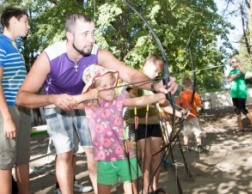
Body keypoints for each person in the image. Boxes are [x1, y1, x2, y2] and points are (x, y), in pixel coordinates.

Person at [15, 13, 178, 194]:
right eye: (85, 34)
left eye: (92, 33)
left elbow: (129, 74)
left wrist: (155, 85)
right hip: (55, 101)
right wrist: (52, 99)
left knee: (92, 151)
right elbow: (21, 97)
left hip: (89, 100)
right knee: (65, 153)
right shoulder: (50, 56)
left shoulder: (96, 53)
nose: (91, 39)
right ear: (69, 35)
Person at [72, 65, 171, 194]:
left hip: (126, 156)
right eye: (104, 86)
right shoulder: (89, 106)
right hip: (104, 159)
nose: (110, 89)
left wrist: (163, 94)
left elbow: (140, 100)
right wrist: (87, 96)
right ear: (93, 89)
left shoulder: (118, 101)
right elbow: (69, 103)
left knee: (132, 190)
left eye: (112, 84)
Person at [125, 55, 168, 194]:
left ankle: (155, 187)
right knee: (147, 155)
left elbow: (164, 104)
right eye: (155, 70)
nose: (156, 74)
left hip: (154, 121)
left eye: (158, 73)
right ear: (148, 65)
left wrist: (180, 113)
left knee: (156, 156)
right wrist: (154, 95)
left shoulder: (155, 85)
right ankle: (146, 188)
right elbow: (133, 97)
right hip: (139, 123)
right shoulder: (135, 79)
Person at [0, 7, 30, 194]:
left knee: (22, 160)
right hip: (8, 111)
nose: (28, 26)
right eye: (25, 21)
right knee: (5, 164)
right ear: (12, 20)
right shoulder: (1, 44)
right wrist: (7, 118)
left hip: (22, 110)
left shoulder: (13, 46)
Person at [227, 57, 252, 132]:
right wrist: (234, 76)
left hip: (241, 92)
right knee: (236, 110)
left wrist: (239, 66)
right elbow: (228, 79)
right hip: (234, 93)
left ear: (237, 61)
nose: (233, 63)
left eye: (234, 61)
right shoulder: (231, 71)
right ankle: (240, 127)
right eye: (232, 62)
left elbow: (243, 72)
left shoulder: (241, 68)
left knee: (242, 109)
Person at [176, 77, 205, 153]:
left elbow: (177, 105)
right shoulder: (194, 93)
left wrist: (182, 111)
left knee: (186, 132)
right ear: (191, 84)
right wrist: (203, 105)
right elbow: (199, 104)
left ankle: (185, 147)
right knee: (197, 131)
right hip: (193, 115)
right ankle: (199, 146)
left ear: (183, 85)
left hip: (185, 116)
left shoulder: (181, 94)